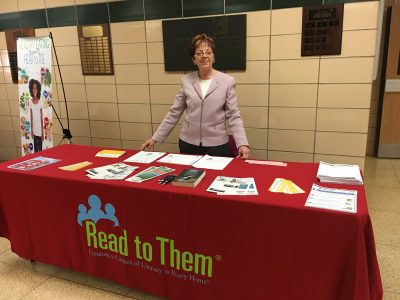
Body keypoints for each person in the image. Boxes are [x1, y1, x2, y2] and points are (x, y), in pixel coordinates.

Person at [140, 33, 250, 159]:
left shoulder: (227, 81)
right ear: (193, 59)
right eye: (199, 53)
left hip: (217, 146)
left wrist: (242, 143)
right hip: (188, 144)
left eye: (208, 52)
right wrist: (155, 138)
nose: (204, 56)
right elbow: (174, 113)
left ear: (213, 56)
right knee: (188, 178)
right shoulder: (186, 80)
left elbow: (233, 116)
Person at [29, 79, 44, 152]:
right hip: (34, 131)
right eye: (33, 88)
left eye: (36, 88)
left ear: (38, 90)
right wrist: (31, 131)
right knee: (35, 150)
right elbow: (31, 118)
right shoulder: (30, 102)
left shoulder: (40, 102)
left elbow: (41, 119)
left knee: (40, 149)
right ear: (31, 89)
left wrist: (42, 133)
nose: (35, 90)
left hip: (40, 131)